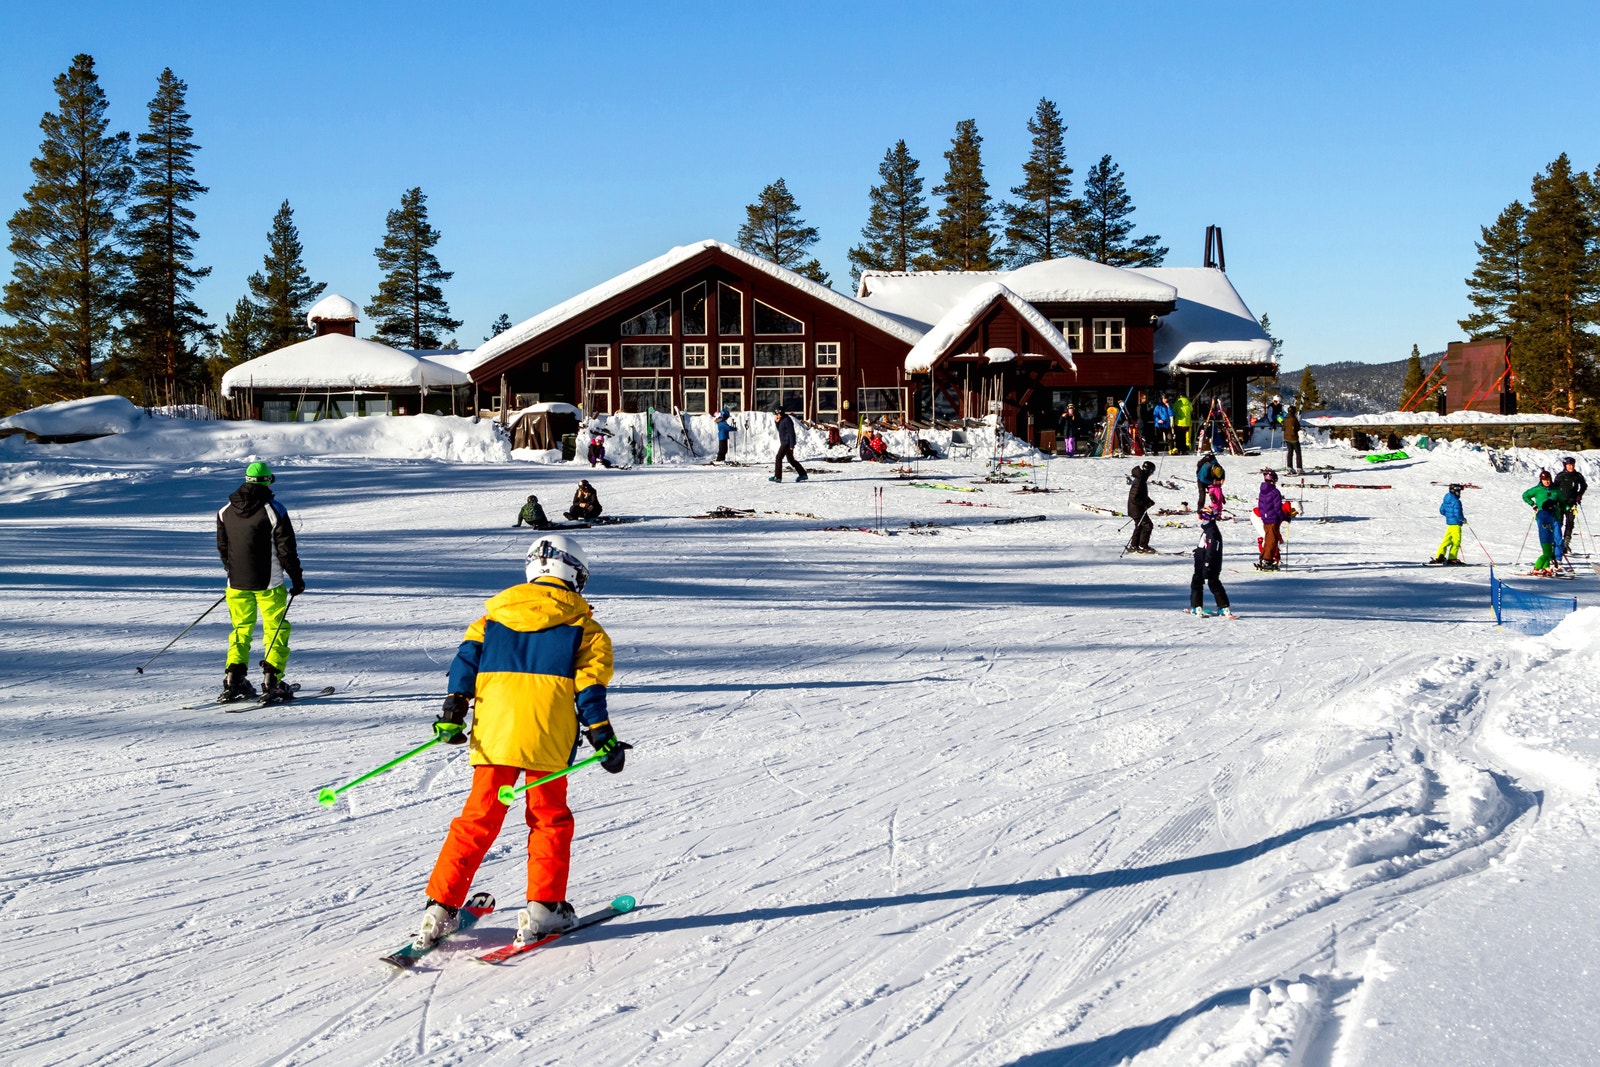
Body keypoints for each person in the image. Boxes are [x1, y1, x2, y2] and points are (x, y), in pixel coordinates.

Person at [414, 534, 629, 952]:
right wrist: (602, 735)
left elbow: (465, 663)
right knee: (549, 818)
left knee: (478, 818)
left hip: (495, 737)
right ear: (574, 574)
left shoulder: (492, 619)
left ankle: (440, 906)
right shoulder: (585, 627)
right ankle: (545, 906)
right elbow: (589, 690)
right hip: (548, 739)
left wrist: (453, 710)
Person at [215, 460, 305, 704]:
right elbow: (286, 551)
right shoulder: (275, 509)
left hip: (236, 584)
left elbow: (223, 547)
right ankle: (272, 681)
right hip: (269, 583)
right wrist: (296, 578)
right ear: (268, 480)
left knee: (240, 629)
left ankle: (234, 680)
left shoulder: (225, 510)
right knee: (275, 628)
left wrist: (234, 573)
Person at [1190, 507, 1234, 618]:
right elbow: (1204, 547)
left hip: (1208, 563)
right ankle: (1197, 606)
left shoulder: (1212, 532)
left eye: (1205, 517)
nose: (1203, 519)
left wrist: (1207, 563)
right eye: (1201, 516)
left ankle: (1223, 608)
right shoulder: (1208, 530)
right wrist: (1198, 552)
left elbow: (1212, 549)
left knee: (1212, 582)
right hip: (1202, 561)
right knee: (1198, 581)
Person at [1523, 470, 1567, 573]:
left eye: (1547, 479)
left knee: (1557, 538)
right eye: (1544, 480)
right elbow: (1525, 495)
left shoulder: (1556, 490)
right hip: (1542, 518)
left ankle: (1556, 561)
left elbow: (1562, 502)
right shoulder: (1537, 489)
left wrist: (1564, 509)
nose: (1546, 482)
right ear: (1541, 480)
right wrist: (1532, 504)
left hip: (1555, 517)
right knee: (1546, 540)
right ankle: (1544, 564)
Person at [1553, 456, 1587, 551]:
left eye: (1572, 465)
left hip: (1572, 504)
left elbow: (1584, 486)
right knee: (1558, 523)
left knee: (1570, 523)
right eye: (1569, 465)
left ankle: (1565, 543)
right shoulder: (1561, 476)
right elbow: (1554, 488)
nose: (1571, 467)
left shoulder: (1578, 476)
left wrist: (1580, 495)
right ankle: (1557, 542)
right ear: (1565, 466)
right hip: (1560, 503)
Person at [1256, 469, 1285, 570]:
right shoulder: (1275, 492)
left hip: (1265, 519)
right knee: (1272, 541)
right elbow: (1277, 507)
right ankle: (1267, 560)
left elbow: (1260, 505)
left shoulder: (1262, 491)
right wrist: (1283, 516)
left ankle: (1263, 557)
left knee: (1268, 539)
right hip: (1273, 519)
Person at [1126, 461, 1156, 554]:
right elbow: (1134, 498)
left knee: (1139, 526)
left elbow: (1141, 495)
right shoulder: (1140, 480)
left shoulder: (1141, 478)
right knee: (1147, 525)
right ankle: (1142, 546)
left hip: (1136, 508)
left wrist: (1148, 501)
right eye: (1152, 472)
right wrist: (1145, 504)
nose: (1152, 474)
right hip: (1136, 509)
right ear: (1149, 471)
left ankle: (1134, 545)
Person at [771, 409, 808, 482]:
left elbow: (792, 433)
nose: (776, 416)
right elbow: (780, 430)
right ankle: (803, 474)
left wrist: (792, 445)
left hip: (787, 442)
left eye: (777, 414)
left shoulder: (787, 420)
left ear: (780, 413)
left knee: (778, 457)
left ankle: (777, 477)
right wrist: (777, 422)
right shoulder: (782, 420)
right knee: (791, 460)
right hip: (784, 442)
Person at [1434, 484, 1466, 565]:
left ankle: (1439, 557)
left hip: (1450, 524)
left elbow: (1442, 511)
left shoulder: (1446, 500)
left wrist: (1449, 516)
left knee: (1446, 541)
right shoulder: (1456, 501)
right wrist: (1462, 519)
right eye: (1459, 492)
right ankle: (1452, 558)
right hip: (1456, 524)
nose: (1459, 494)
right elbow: (1457, 513)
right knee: (1456, 542)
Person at [1282, 405, 1302, 474]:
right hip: (1294, 438)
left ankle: (1289, 468)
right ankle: (1299, 468)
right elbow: (1298, 427)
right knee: (1298, 453)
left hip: (1287, 438)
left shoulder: (1285, 418)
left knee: (1290, 452)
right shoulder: (1294, 418)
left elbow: (1283, 427)